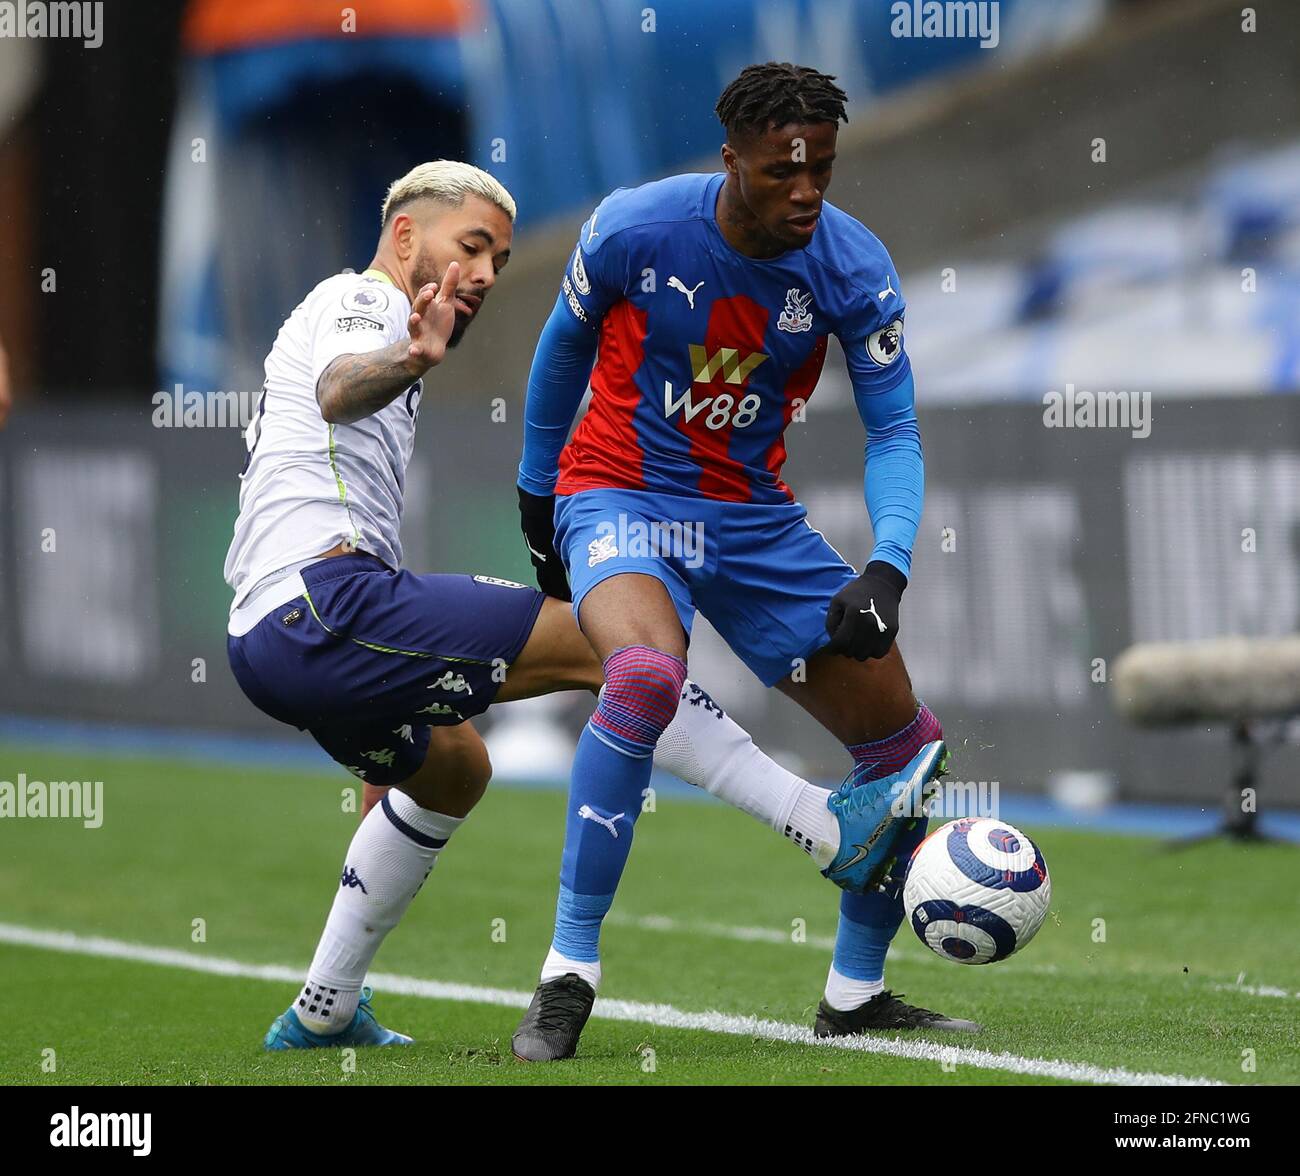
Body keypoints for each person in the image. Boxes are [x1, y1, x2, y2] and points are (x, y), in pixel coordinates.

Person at [224, 160, 915, 1050]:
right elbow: (336, 388)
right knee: (617, 654)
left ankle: (324, 1006)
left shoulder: (364, 318)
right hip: (320, 604)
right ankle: (824, 826)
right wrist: (408, 354)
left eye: (499, 262)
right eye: (470, 247)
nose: (481, 275)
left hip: (279, 639)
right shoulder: (369, 307)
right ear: (404, 237)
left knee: (453, 770)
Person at [512, 63, 977, 1062]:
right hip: (620, 493)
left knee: (909, 758)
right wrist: (534, 491)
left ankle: (854, 995)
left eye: (822, 170)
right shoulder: (635, 229)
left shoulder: (852, 267)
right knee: (641, 676)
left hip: (752, 521)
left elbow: (894, 430)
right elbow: (560, 347)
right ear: (732, 161)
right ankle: (567, 971)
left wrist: (885, 570)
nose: (807, 191)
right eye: (782, 172)